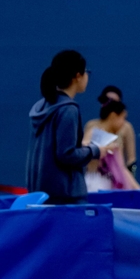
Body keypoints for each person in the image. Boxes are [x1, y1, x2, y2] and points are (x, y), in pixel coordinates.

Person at [26, 50, 112, 204]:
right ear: (77, 76)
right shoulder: (68, 110)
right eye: (86, 72)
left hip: (41, 194)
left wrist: (84, 148)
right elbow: (66, 154)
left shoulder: (42, 106)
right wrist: (95, 151)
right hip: (65, 198)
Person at [83, 99, 140, 192]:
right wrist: (101, 149)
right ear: (113, 116)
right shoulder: (93, 132)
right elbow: (83, 149)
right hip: (93, 186)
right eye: (123, 118)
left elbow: (122, 168)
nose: (124, 123)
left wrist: (139, 190)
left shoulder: (113, 139)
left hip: (110, 187)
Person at [85, 85, 137, 177]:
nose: (110, 105)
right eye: (107, 101)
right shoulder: (91, 126)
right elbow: (83, 151)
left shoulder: (126, 127)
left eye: (114, 102)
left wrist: (130, 178)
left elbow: (131, 160)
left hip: (116, 178)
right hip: (93, 177)